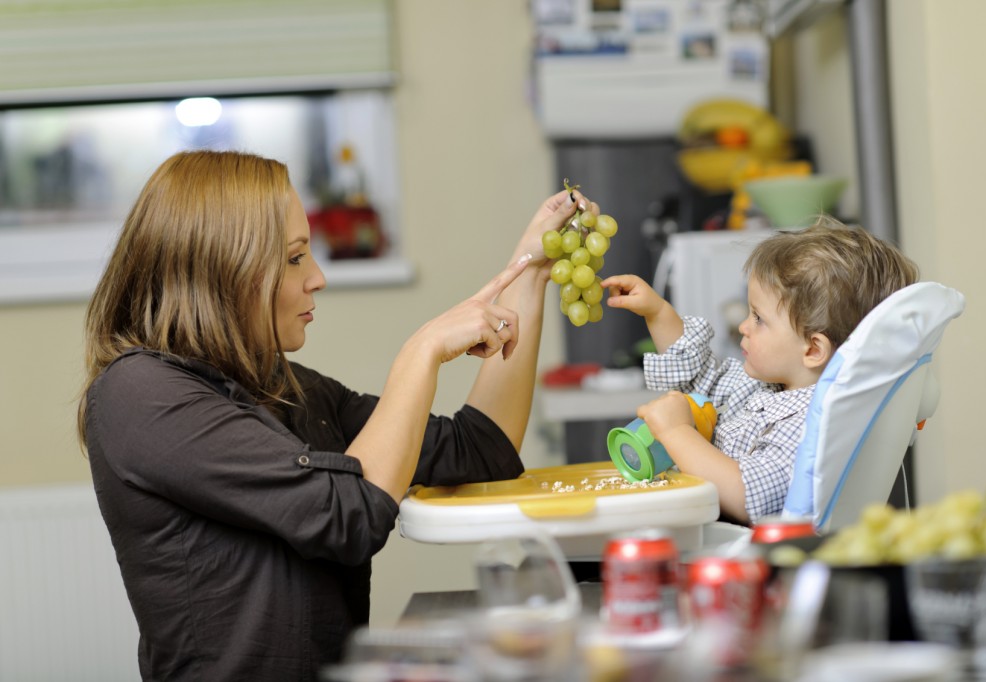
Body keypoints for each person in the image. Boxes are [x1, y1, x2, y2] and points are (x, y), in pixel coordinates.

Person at [77, 150, 596, 681]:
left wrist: (530, 270)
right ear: (223, 266)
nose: (318, 278)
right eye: (295, 257)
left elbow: (481, 450)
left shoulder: (284, 389)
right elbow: (349, 513)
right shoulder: (140, 394)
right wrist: (421, 353)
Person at [601, 218, 919, 525]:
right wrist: (657, 312)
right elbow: (699, 374)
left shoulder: (811, 426)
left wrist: (675, 433)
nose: (743, 326)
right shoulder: (768, 387)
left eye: (758, 318)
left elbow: (747, 498)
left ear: (812, 349)